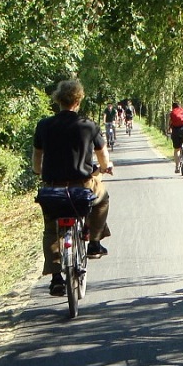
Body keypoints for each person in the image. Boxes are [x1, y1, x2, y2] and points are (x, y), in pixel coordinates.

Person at [33, 79, 113, 296]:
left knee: (51, 229)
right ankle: (94, 242)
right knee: (102, 198)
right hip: (82, 187)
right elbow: (103, 159)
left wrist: (46, 174)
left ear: (58, 100)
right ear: (78, 100)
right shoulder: (89, 125)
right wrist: (105, 167)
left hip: (52, 190)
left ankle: (56, 277)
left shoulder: (43, 126)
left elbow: (36, 164)